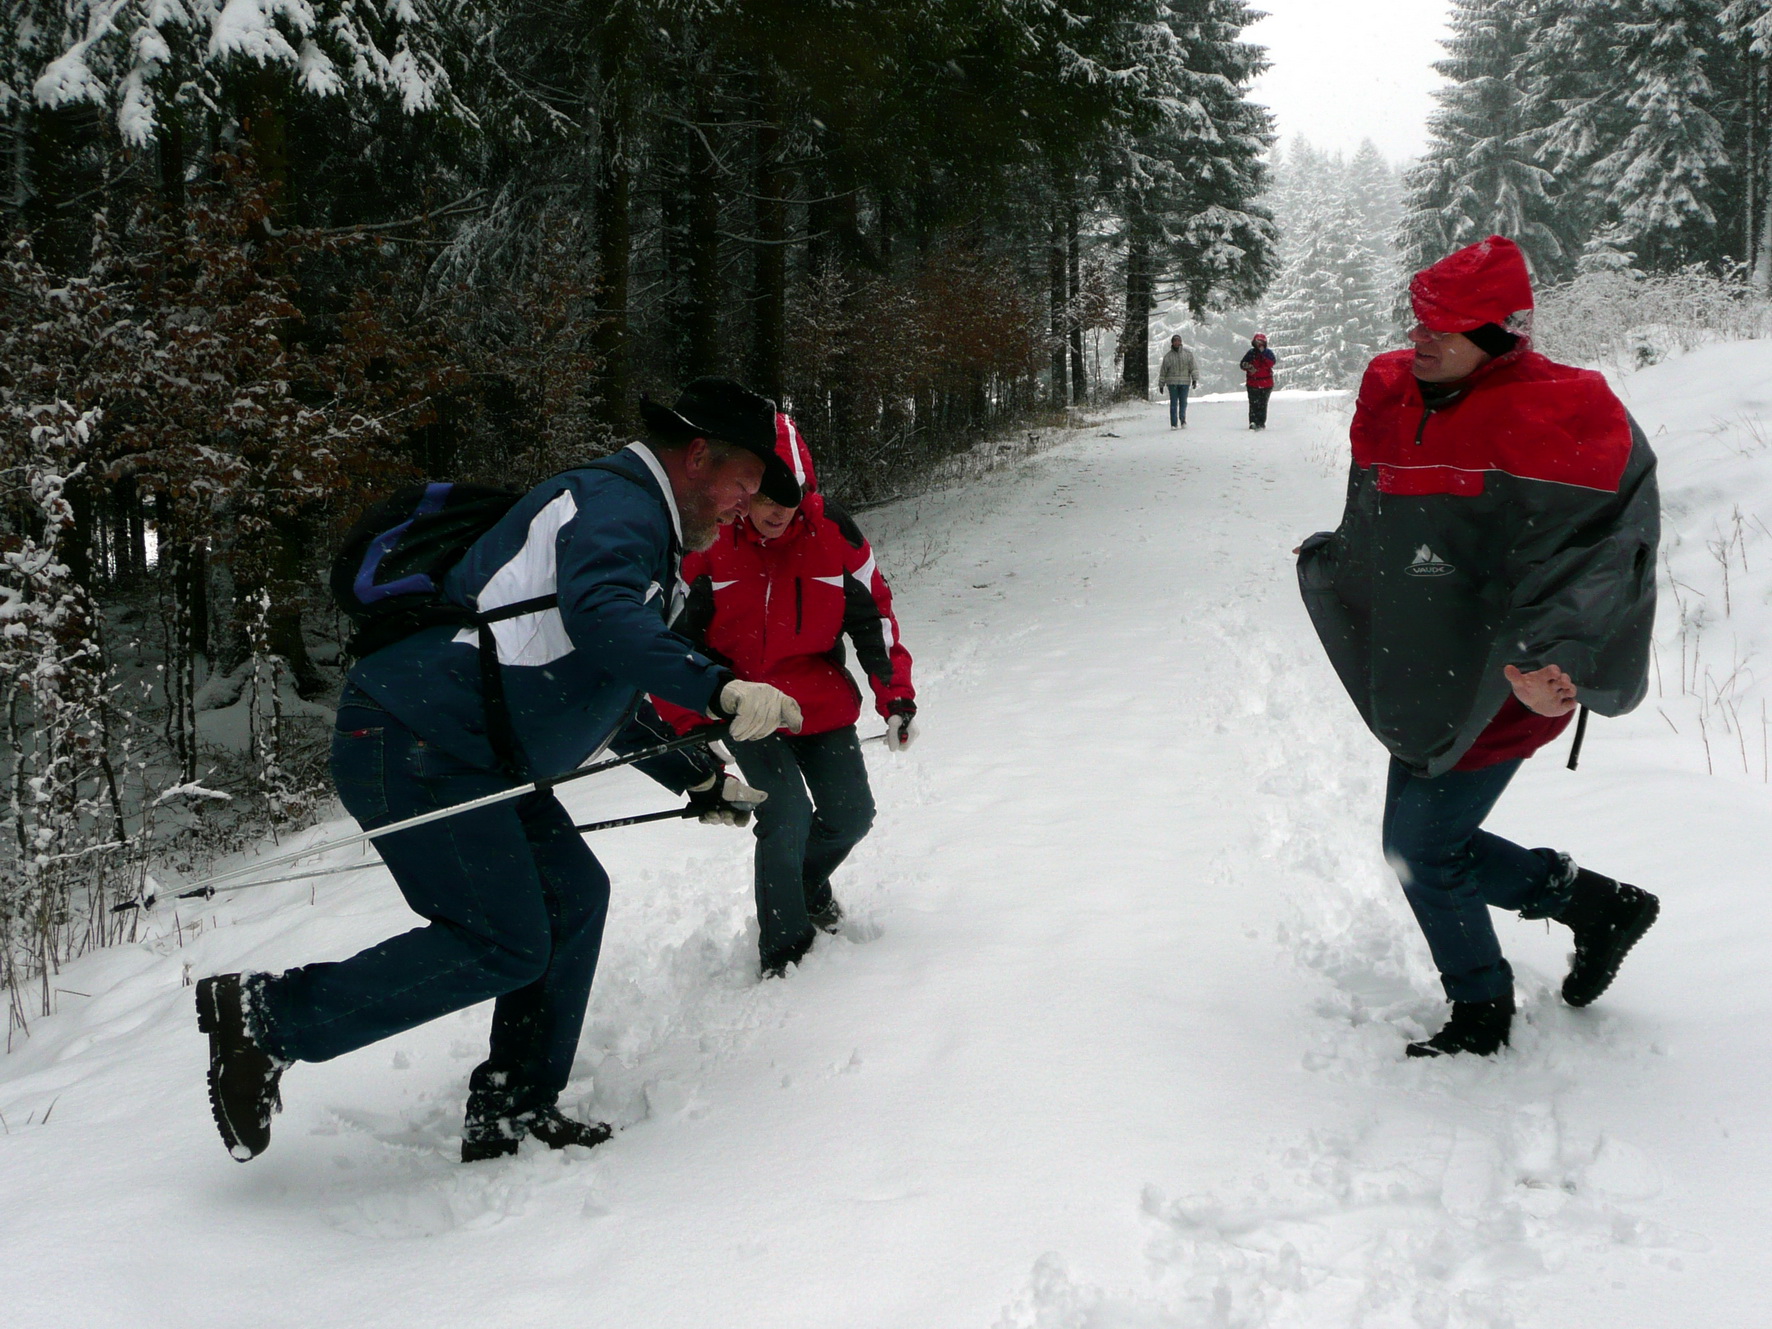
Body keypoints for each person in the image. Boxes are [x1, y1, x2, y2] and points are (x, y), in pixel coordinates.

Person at [195, 377, 810, 1164]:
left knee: (572, 898)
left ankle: (514, 1105)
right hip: (416, 740)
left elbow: (597, 675)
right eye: (743, 485)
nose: (743, 507)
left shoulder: (638, 525)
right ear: (698, 456)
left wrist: (694, 774)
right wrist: (717, 685)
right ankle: (269, 1019)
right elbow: (604, 623)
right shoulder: (619, 506)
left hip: (475, 753)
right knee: (505, 939)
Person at [1296, 235, 1662, 1059]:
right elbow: (1388, 516)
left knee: (1420, 847)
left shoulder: (1560, 410)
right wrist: (1342, 561)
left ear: (1497, 336)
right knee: (1425, 843)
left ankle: (1482, 1007)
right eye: (1419, 321)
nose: (1419, 338)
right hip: (1429, 661)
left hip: (1515, 674)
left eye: (1443, 329)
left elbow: (1599, 554)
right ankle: (1597, 906)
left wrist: (1556, 655)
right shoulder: (1396, 391)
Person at [655, 414, 917, 977]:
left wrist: (896, 698)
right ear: (745, 490)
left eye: (790, 500)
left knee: (851, 815)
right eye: (766, 498)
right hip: (743, 704)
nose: (778, 512)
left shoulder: (835, 534)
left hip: (819, 702)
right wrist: (690, 725)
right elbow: (671, 641)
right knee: (787, 813)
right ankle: (786, 951)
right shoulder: (711, 537)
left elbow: (874, 617)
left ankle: (803, 887)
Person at [1158, 334, 1199, 429]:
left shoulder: (1188, 354)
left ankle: (1183, 420)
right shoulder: (1168, 357)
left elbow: (1193, 367)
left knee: (1183, 403)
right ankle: (1173, 423)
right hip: (1172, 383)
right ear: (1172, 343)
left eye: (1178, 341)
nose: (1177, 343)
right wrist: (1161, 384)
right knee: (1173, 403)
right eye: (1175, 341)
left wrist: (1194, 379)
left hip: (1184, 382)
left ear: (1181, 342)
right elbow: (1163, 371)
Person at [1239, 333, 1276, 429]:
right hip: (1253, 383)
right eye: (1257, 342)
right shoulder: (1251, 353)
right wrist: (1248, 366)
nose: (1259, 345)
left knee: (1263, 404)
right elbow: (1242, 364)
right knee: (1253, 404)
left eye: (1261, 342)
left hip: (1266, 384)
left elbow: (1271, 363)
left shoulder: (1268, 353)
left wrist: (1263, 354)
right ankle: (1253, 422)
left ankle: (1261, 423)